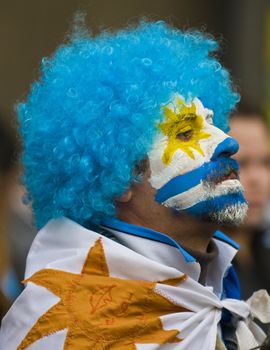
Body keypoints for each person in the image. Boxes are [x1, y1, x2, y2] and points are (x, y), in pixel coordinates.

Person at [0, 20, 269, 350]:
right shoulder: (63, 330)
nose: (228, 143)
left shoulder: (216, 287)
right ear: (122, 178)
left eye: (214, 126)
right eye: (185, 133)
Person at [223, 109, 270, 299]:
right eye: (240, 163)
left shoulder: (264, 257)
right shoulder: (199, 277)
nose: (257, 179)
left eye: (265, 162)